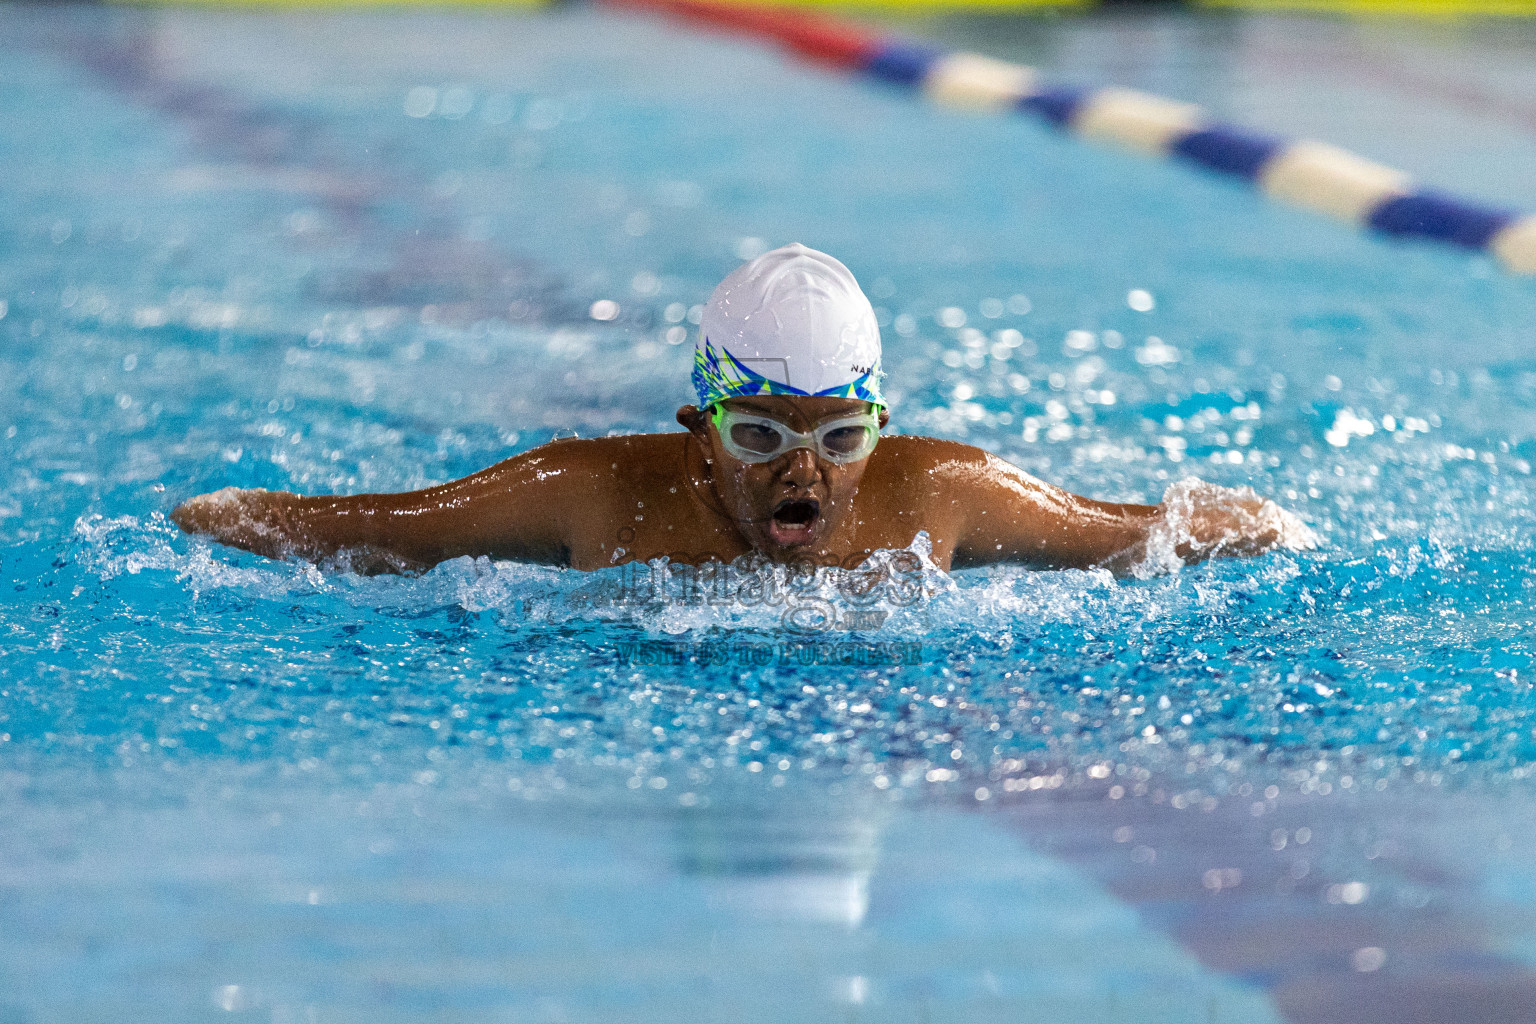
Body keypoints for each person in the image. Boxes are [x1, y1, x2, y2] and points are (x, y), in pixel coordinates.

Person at [171, 244, 1312, 575]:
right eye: (761, 435)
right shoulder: (590, 495)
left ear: (880, 428)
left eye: (839, 437)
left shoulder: (941, 498)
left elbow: (1135, 529)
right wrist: (227, 515)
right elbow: (391, 524)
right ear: (699, 425)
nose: (802, 475)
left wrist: (1264, 524)